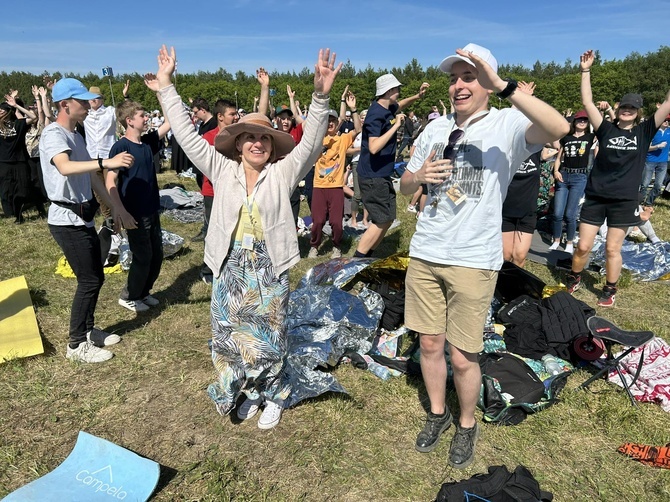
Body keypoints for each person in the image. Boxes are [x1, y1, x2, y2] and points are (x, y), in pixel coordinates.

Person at [400, 43, 568, 468]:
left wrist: (506, 87)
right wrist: (418, 176)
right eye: (454, 77)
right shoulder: (435, 129)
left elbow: (559, 127)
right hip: (425, 252)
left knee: (464, 353)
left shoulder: (507, 124)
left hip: (473, 259)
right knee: (430, 343)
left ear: (488, 84)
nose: (458, 85)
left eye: (469, 76)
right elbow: (404, 184)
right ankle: (438, 414)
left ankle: (467, 422)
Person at [154, 45, 340, 429]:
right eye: (249, 137)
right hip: (229, 262)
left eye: (265, 138)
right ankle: (249, 389)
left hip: (270, 262)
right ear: (237, 144)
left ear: (272, 146)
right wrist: (167, 86)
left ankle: (274, 393)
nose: (257, 142)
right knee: (228, 334)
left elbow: (310, 143)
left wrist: (320, 97)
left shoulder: (284, 172)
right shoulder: (221, 169)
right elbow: (187, 137)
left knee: (270, 334)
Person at [39, 78, 135, 363]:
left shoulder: (77, 136)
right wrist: (106, 162)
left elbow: (92, 178)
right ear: (64, 105)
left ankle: (89, 330)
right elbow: (66, 167)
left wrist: (114, 206)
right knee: (89, 279)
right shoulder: (53, 134)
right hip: (65, 219)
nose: (87, 106)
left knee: (96, 276)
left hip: (82, 217)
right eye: (81, 102)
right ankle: (76, 344)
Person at [566, 49, 670, 307]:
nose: (627, 110)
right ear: (619, 108)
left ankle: (610, 289)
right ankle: (575, 276)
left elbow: (667, 104)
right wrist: (586, 71)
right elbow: (588, 103)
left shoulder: (645, 132)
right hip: (596, 196)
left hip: (623, 200)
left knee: (613, 248)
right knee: (583, 247)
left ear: (638, 111)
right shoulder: (605, 129)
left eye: (632, 108)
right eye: (624, 106)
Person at [106, 74, 172, 313]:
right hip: (134, 212)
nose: (147, 118)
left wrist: (160, 91)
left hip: (151, 209)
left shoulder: (147, 143)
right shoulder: (120, 147)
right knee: (142, 257)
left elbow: (170, 121)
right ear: (129, 120)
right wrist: (119, 210)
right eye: (142, 115)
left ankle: (143, 292)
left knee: (156, 255)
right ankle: (130, 295)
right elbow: (110, 179)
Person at [354, 75, 429, 258]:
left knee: (387, 219)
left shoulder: (385, 107)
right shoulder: (375, 115)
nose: (399, 92)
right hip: (373, 176)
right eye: (396, 89)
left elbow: (400, 104)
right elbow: (373, 147)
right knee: (380, 220)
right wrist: (395, 126)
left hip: (381, 174)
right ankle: (355, 262)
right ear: (388, 91)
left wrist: (417, 97)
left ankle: (368, 256)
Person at [308, 90, 361, 258]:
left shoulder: (343, 139)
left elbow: (358, 128)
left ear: (336, 122)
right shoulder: (316, 140)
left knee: (337, 222)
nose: (329, 123)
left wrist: (353, 109)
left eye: (332, 120)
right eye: (327, 120)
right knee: (317, 221)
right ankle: (314, 246)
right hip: (319, 186)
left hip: (336, 186)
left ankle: (336, 245)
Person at [548, 109, 596, 253]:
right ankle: (556, 239)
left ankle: (569, 242)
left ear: (588, 123)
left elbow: (604, 127)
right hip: (564, 175)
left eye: (585, 120)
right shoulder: (566, 139)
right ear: (574, 122)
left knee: (570, 214)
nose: (582, 122)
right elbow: (558, 158)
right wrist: (556, 171)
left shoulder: (590, 137)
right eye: (579, 120)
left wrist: (597, 111)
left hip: (579, 177)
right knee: (557, 213)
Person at [0, 92, 38, 222]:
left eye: (2, 110)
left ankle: (18, 213)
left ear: (8, 111)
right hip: (3, 163)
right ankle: (10, 216)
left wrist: (16, 105)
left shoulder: (19, 124)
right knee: (5, 191)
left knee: (22, 191)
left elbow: (33, 117)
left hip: (20, 162)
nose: (0, 111)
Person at [639, 114, 670, 206]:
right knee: (645, 184)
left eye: (668, 120)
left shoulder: (669, 131)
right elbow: (645, 148)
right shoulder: (653, 132)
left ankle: (649, 203)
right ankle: (639, 202)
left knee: (658, 185)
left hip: (663, 162)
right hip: (650, 161)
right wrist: (657, 146)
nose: (667, 122)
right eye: (665, 120)